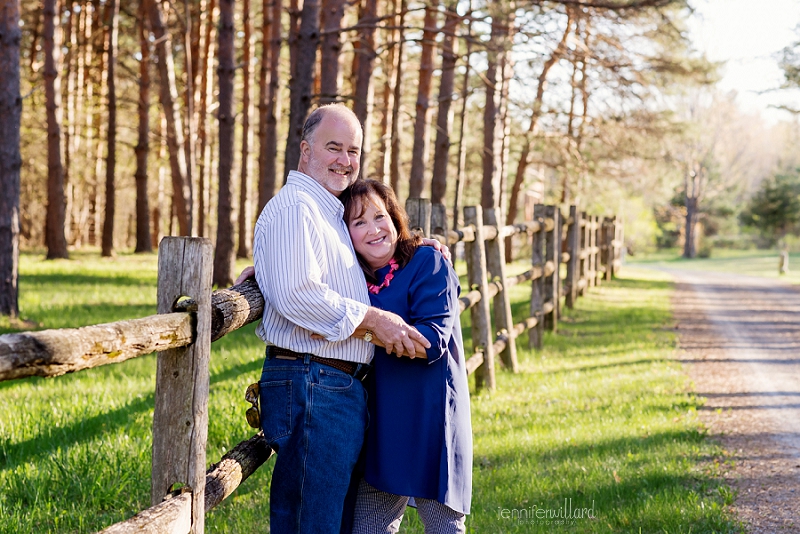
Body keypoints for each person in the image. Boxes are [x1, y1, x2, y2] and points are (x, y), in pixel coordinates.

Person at [251, 103, 431, 534]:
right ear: (305, 150)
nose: (345, 161)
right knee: (310, 525)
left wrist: (423, 245)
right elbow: (298, 294)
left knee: (328, 521)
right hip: (314, 383)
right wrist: (374, 321)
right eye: (334, 147)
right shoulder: (296, 207)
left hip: (333, 386)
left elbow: (346, 273)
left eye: (353, 151)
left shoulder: (328, 212)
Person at [340, 179, 473, 534]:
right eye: (359, 223)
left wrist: (366, 327)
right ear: (345, 234)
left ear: (395, 218)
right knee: (368, 528)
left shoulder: (428, 261)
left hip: (429, 415)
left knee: (444, 527)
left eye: (379, 216)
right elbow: (302, 283)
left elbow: (432, 341)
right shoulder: (352, 278)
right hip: (381, 418)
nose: (373, 229)